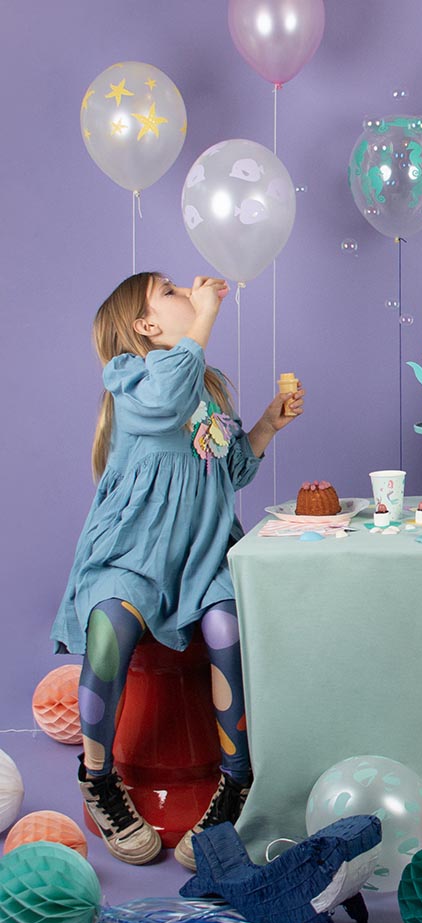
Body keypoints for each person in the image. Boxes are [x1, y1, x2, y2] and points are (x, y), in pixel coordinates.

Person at [51, 272, 305, 867]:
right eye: (169, 292)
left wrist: (266, 425)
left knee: (227, 626)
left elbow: (229, 469)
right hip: (131, 553)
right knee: (109, 627)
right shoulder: (132, 378)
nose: (187, 292)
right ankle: (98, 777)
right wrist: (207, 315)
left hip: (204, 551)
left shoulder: (205, 388)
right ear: (145, 326)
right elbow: (166, 402)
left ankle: (236, 780)